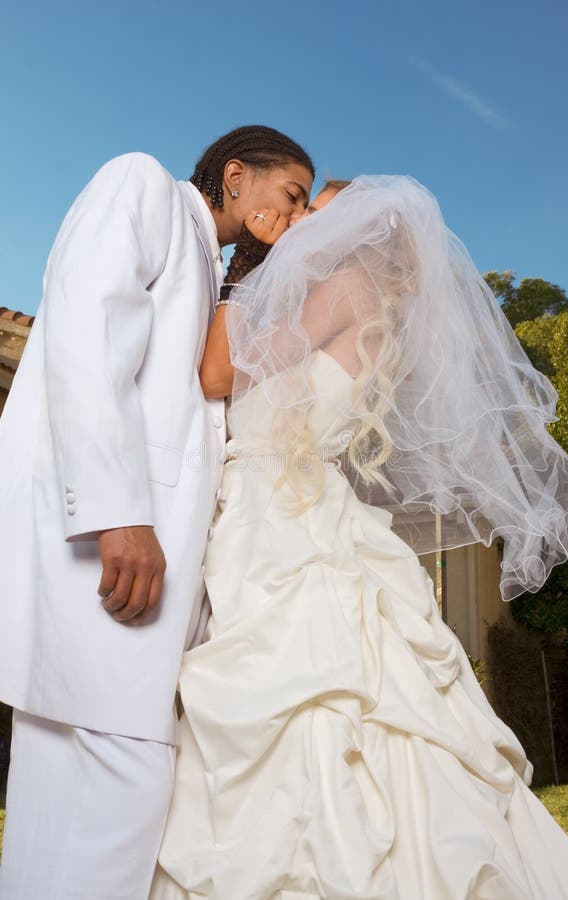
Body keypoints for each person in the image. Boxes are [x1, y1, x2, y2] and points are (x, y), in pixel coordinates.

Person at [150, 175, 568, 900]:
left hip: (281, 521)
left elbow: (216, 372)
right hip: (292, 511)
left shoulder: (348, 289)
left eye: (316, 217)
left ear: (358, 237)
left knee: (306, 695)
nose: (299, 228)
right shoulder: (379, 309)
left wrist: (236, 284)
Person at [0, 125, 314, 900]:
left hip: (146, 554)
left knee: (63, 783)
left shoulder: (215, 276)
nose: (300, 214)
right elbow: (85, 333)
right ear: (236, 175)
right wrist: (118, 516)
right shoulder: (141, 185)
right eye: (294, 194)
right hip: (109, 544)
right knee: (129, 781)